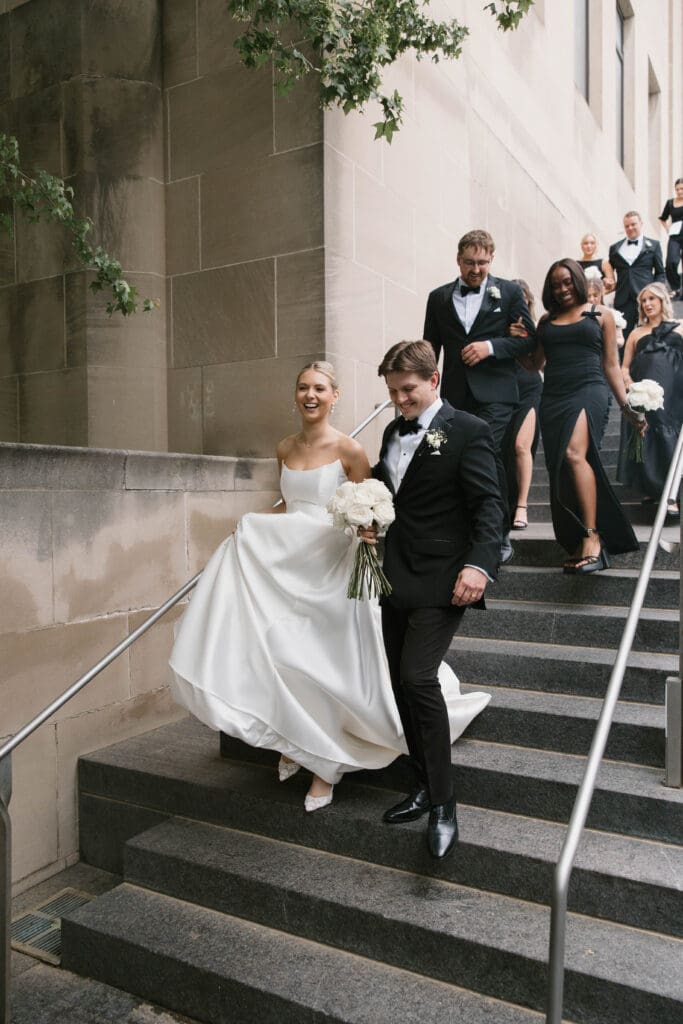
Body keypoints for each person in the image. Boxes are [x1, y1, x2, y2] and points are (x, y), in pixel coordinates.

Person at [169, 360, 490, 813]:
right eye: (303, 387)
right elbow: (288, 508)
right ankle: (297, 737)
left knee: (328, 664)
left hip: (334, 567)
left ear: (335, 395)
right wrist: (252, 530)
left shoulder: (351, 449)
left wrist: (367, 531)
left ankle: (327, 764)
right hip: (292, 568)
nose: (310, 395)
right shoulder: (283, 448)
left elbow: (374, 504)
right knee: (284, 654)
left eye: (319, 387)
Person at [370, 341, 504, 859]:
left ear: (434, 380)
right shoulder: (390, 432)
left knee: (418, 678)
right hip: (394, 575)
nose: (401, 401)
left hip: (447, 577)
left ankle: (445, 804)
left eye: (408, 390)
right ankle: (423, 783)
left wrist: (479, 565)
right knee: (399, 684)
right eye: (393, 392)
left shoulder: (470, 430)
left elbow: (489, 504)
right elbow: (390, 491)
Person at [423, 229, 535, 565]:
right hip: (455, 394)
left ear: (491, 259)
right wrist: (426, 387)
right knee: (451, 456)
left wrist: (490, 347)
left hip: (497, 393)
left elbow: (529, 340)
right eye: (470, 262)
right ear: (458, 260)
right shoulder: (438, 297)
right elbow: (430, 347)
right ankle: (463, 525)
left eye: (482, 263)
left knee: (486, 452)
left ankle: (498, 532)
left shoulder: (511, 292)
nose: (476, 269)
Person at [532, 259, 643, 572]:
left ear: (578, 280)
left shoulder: (600, 314)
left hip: (588, 390)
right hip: (552, 397)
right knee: (561, 466)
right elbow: (533, 364)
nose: (563, 289)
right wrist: (520, 337)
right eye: (556, 284)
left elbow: (610, 364)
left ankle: (593, 537)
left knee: (574, 453)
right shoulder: (546, 321)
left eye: (567, 282)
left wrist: (626, 406)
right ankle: (577, 537)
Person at [617, 282, 683, 518]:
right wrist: (631, 386)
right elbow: (623, 368)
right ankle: (653, 489)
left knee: (668, 438)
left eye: (651, 299)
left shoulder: (680, 327)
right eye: (643, 301)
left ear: (663, 301)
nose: (647, 304)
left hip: (674, 395)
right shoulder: (635, 333)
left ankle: (671, 496)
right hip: (644, 396)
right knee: (647, 435)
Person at [505, 279, 543, 531]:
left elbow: (542, 362)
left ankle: (522, 505)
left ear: (528, 302)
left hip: (530, 388)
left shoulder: (538, 331)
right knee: (504, 450)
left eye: (524, 299)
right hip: (504, 390)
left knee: (521, 446)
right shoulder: (498, 328)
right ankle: (505, 503)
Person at [606, 211, 666, 338]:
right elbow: (608, 271)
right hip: (623, 300)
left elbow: (660, 273)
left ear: (641, 223)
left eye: (633, 224)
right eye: (627, 226)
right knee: (621, 338)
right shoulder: (614, 249)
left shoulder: (654, 245)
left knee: (647, 336)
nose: (630, 228)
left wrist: (655, 293)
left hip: (645, 300)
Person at [659, 178, 683, 300]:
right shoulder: (670, 203)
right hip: (675, 236)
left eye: (682, 189)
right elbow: (662, 218)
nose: (679, 191)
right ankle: (676, 287)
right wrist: (668, 229)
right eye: (677, 189)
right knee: (671, 263)